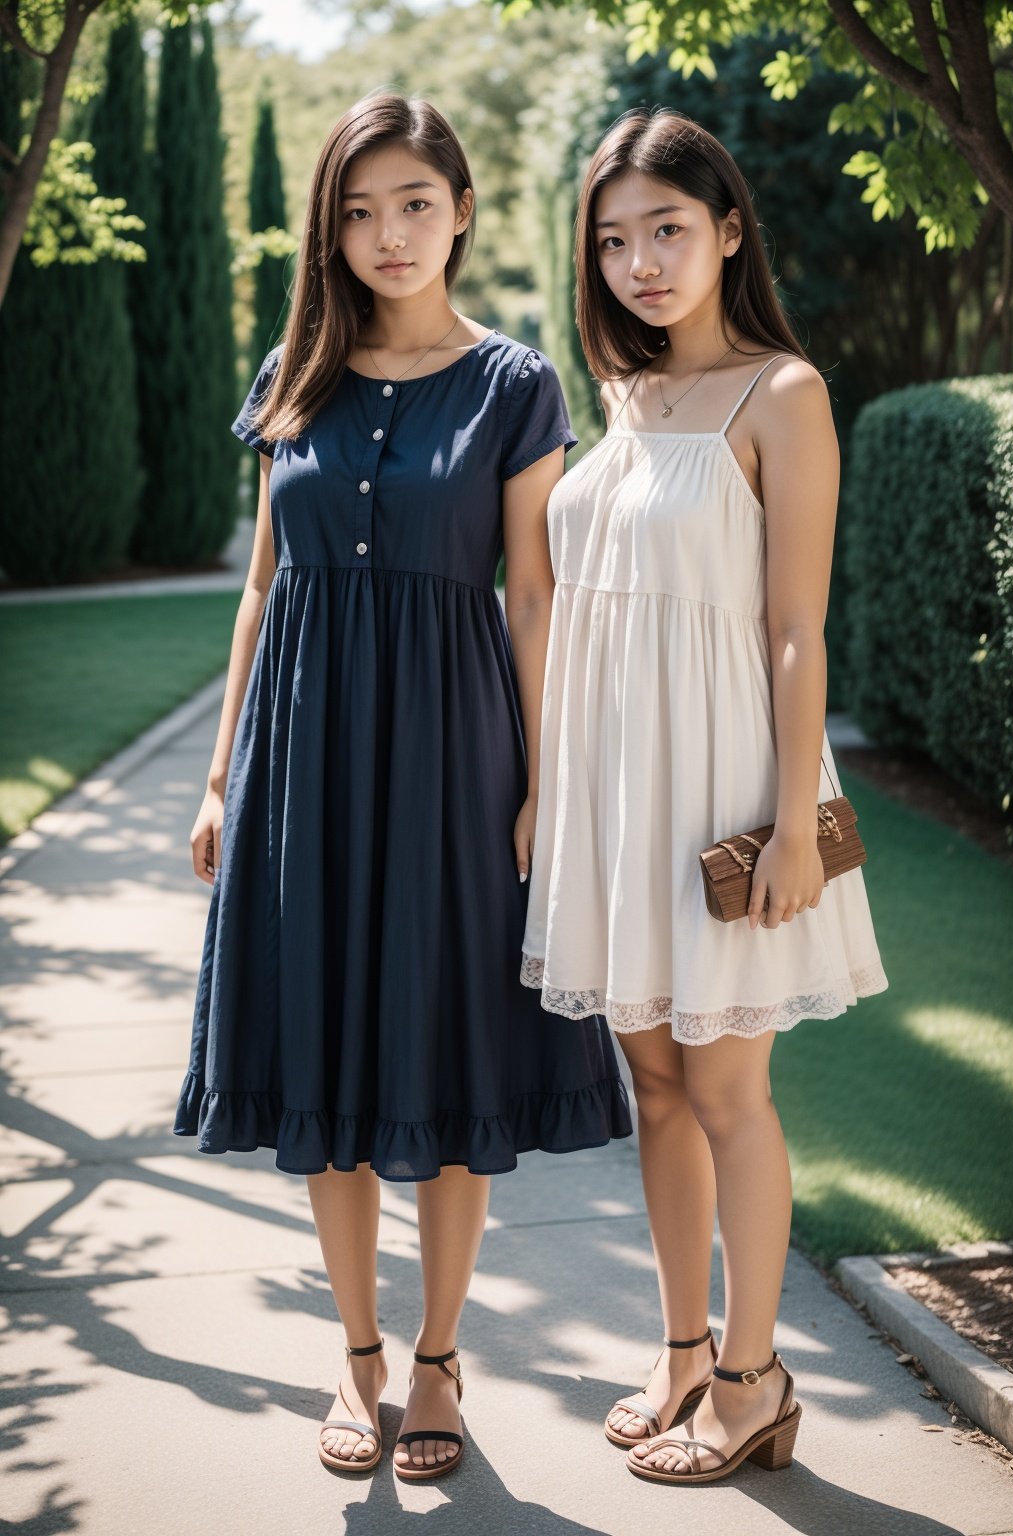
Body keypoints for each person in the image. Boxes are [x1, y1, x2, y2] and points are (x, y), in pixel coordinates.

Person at [174, 90, 631, 1484]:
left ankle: (440, 1357)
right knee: (324, 1048)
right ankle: (358, 1358)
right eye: (360, 210)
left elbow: (536, 599)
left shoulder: (515, 386)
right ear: (332, 227)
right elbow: (261, 589)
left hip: (452, 755)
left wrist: (546, 784)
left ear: (463, 212)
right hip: (303, 759)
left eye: (414, 205)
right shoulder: (291, 374)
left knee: (441, 1047)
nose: (388, 234)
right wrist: (216, 778)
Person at [522, 109, 888, 1487]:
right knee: (656, 1086)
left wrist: (793, 821)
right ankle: (681, 1354)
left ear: (729, 227)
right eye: (612, 241)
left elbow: (797, 627)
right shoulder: (620, 399)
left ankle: (754, 1378)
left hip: (729, 783)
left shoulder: (780, 392)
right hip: (620, 792)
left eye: (666, 231)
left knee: (730, 1090)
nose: (639, 264)